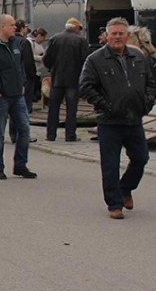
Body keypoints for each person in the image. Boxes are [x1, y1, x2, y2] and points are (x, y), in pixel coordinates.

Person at [79, 17, 155, 219]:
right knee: (110, 164)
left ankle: (125, 187)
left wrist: (146, 103)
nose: (118, 37)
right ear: (107, 36)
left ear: (127, 35)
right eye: (114, 33)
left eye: (121, 33)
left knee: (141, 158)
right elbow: (86, 86)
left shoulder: (139, 58)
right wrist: (106, 106)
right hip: (109, 121)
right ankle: (115, 204)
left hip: (134, 119)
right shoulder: (95, 60)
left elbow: (150, 82)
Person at [0, 14, 37, 180]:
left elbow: (20, 66)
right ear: (2, 27)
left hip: (17, 95)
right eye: (11, 25)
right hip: (0, 97)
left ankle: (20, 165)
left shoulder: (16, 44)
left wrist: (22, 83)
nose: (14, 28)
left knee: (24, 129)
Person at [43, 17, 89, 142]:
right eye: (80, 29)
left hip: (57, 79)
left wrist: (52, 69)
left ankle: (51, 134)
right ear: (76, 28)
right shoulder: (81, 41)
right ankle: (70, 135)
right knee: (71, 109)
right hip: (73, 80)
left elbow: (46, 58)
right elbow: (85, 61)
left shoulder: (54, 39)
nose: (80, 31)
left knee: (53, 108)